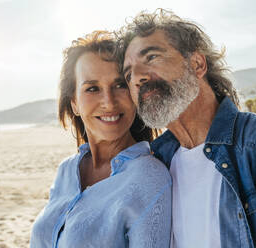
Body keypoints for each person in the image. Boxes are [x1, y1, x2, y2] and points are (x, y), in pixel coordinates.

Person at [119, 9, 256, 248]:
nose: (137, 77)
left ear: (197, 64)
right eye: (128, 74)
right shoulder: (156, 162)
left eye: (151, 57)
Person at [30, 31, 172, 248]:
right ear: (75, 103)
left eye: (120, 85)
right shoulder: (66, 171)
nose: (109, 102)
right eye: (92, 88)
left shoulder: (150, 178)